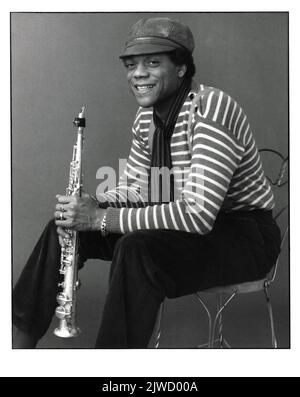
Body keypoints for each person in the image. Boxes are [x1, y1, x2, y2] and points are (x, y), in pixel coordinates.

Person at [13, 17, 281, 349]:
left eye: (153, 62)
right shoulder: (146, 117)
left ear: (182, 67)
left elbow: (197, 214)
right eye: (132, 65)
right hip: (183, 226)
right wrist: (91, 206)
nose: (138, 73)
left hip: (243, 236)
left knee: (136, 248)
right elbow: (139, 188)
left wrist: (101, 218)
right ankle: (17, 348)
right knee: (63, 226)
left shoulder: (210, 108)